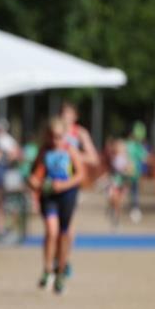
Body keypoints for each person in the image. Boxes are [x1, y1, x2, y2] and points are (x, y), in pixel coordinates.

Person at [28, 118, 84, 295]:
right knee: (51, 231)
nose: (55, 140)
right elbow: (34, 174)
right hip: (49, 195)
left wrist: (64, 185)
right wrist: (34, 183)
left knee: (63, 234)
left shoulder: (70, 150)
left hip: (67, 195)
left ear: (65, 136)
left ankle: (60, 271)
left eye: (59, 137)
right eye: (52, 136)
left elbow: (80, 175)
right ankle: (47, 270)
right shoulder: (44, 151)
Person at [58, 102, 100, 277]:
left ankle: (64, 260)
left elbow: (93, 158)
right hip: (55, 181)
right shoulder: (55, 131)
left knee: (68, 226)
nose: (65, 117)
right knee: (54, 225)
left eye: (69, 113)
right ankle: (56, 258)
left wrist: (74, 155)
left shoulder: (80, 133)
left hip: (72, 182)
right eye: (63, 113)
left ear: (75, 116)